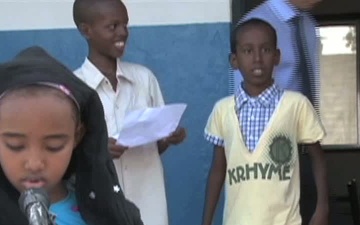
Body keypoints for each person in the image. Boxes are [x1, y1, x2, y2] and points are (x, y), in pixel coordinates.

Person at [201, 19, 328, 225]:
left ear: (277, 57)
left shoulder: (295, 105)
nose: (258, 59)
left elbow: (318, 159)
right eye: (248, 51)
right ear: (234, 60)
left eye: (266, 50)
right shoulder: (222, 110)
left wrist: (322, 207)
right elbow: (218, 169)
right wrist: (206, 221)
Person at [72, 1, 186, 225]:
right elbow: (64, 154)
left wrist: (168, 138)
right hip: (100, 207)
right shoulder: (75, 87)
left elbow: (155, 146)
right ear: (86, 30)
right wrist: (98, 152)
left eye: (125, 25)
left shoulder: (144, 79)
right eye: (112, 26)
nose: (123, 32)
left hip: (149, 204)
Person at [0, 46, 143, 225]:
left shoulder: (110, 215)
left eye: (54, 146)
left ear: (77, 136)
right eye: (15, 145)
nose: (35, 164)